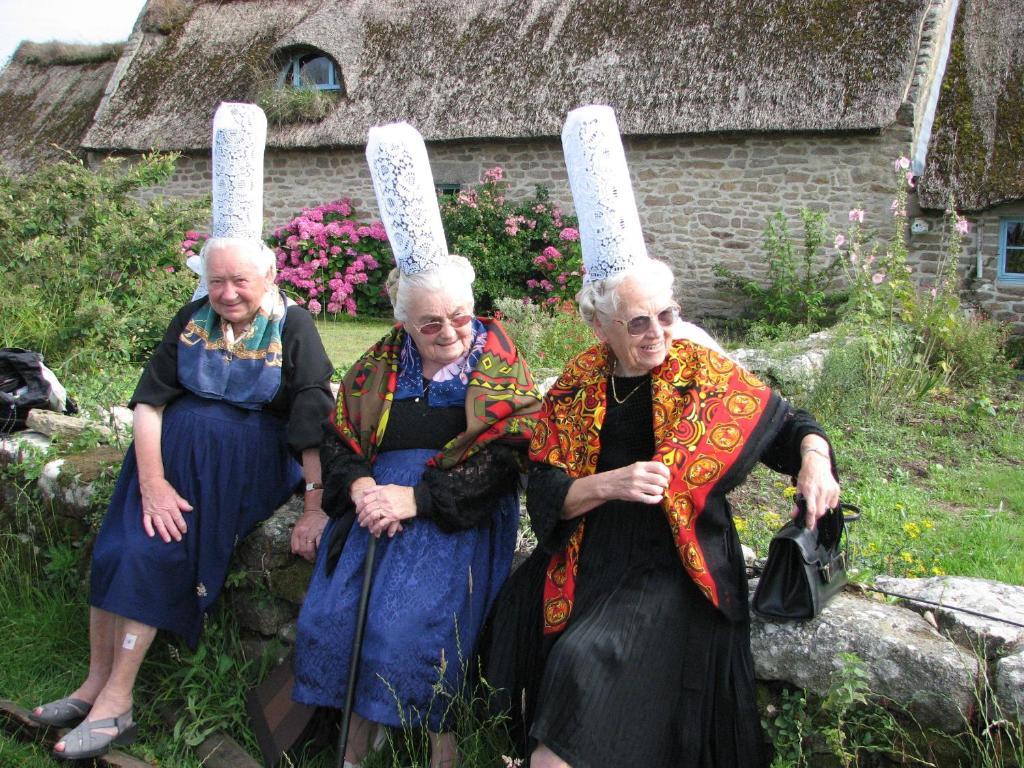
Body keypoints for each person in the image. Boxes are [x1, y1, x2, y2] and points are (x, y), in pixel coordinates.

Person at [484, 106, 840, 768]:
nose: (658, 334)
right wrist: (610, 483)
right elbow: (547, 492)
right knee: (516, 614)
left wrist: (815, 461)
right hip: (595, 543)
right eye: (639, 322)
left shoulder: (699, 367)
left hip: (677, 556)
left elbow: (785, 424)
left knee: (588, 658)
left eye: (668, 315)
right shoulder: (579, 384)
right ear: (601, 327)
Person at [29, 103, 335, 761]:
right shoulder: (191, 316)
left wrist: (314, 503)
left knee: (154, 555)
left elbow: (311, 413)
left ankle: (118, 704)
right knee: (117, 549)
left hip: (241, 463)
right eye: (216, 279)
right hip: (166, 466)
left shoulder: (295, 326)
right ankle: (91, 685)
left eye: (240, 280)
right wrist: (152, 481)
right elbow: (149, 402)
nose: (227, 292)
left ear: (268, 276)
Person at [292, 123, 541, 768]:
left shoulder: (498, 363)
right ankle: (352, 746)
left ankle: (443, 753)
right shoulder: (379, 362)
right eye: (431, 321)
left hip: (452, 515)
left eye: (460, 315)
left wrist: (418, 499)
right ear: (404, 322)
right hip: (376, 506)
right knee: (332, 618)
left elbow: (507, 458)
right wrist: (361, 487)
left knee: (410, 629)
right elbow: (340, 436)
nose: (449, 331)